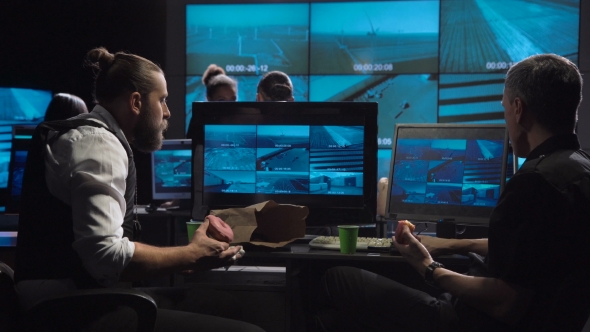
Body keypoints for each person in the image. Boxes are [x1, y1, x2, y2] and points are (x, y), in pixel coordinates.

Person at [320, 54, 590, 331]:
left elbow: (506, 303)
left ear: (519, 109)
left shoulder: (534, 181)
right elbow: (531, 250)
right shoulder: (580, 170)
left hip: (468, 321)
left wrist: (425, 263)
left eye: (505, 108)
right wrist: (452, 244)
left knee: (335, 278)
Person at [14, 47, 263, 331]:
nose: (167, 112)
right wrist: (191, 254)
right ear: (136, 102)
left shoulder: (88, 135)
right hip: (68, 311)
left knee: (224, 304)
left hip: (74, 298)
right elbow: (106, 257)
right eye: (163, 100)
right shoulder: (98, 144)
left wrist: (187, 258)